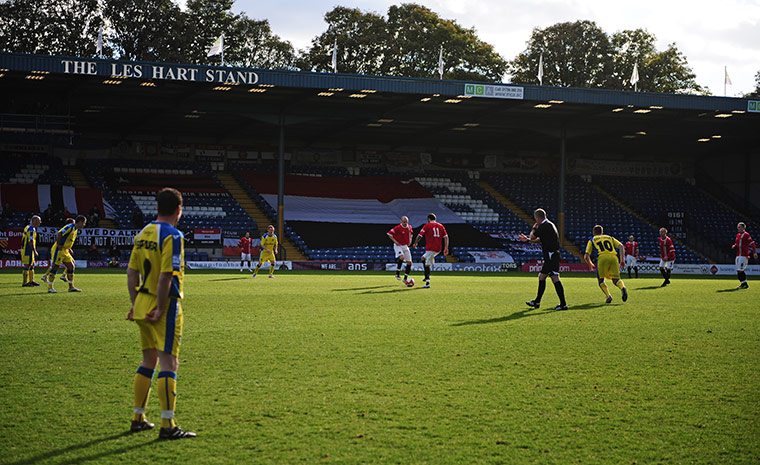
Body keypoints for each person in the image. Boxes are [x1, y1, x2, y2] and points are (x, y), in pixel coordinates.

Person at [126, 187, 195, 440]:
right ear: (179, 209)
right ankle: (168, 425)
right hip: (163, 306)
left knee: (148, 360)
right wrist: (162, 308)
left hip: (142, 303)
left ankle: (138, 418)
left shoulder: (143, 233)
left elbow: (132, 273)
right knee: (169, 363)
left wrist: (136, 304)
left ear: (157, 207)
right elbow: (167, 275)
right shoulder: (173, 236)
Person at [519, 208, 568, 310]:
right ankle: (537, 302)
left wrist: (533, 228)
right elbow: (539, 240)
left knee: (555, 278)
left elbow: (533, 236)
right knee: (542, 277)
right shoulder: (549, 225)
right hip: (551, 256)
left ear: (537, 217)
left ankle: (563, 304)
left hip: (552, 256)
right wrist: (527, 240)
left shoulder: (544, 226)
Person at [584, 225, 628, 304]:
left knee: (600, 280)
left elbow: (586, 256)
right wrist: (622, 260)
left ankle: (608, 296)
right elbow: (621, 246)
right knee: (616, 279)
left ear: (594, 232)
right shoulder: (609, 238)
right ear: (602, 232)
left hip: (602, 258)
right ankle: (623, 287)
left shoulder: (592, 239)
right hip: (614, 258)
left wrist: (590, 264)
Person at [41, 215, 87, 293]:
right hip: (59, 249)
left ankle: (71, 287)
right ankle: (50, 287)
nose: (84, 225)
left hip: (65, 250)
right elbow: (60, 233)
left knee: (71, 266)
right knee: (55, 266)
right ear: (80, 222)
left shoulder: (75, 229)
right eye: (84, 223)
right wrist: (59, 244)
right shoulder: (70, 226)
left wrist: (69, 248)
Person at [412, 213, 448, 289]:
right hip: (438, 248)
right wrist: (446, 247)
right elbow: (446, 237)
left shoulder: (427, 225)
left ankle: (427, 282)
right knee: (423, 258)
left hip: (431, 248)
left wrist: (415, 243)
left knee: (427, 264)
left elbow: (419, 235)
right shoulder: (441, 226)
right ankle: (426, 277)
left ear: (428, 219)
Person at [387, 216, 414, 283]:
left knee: (409, 262)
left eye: (406, 222)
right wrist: (395, 241)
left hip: (405, 246)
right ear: (401, 221)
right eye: (404, 222)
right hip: (398, 245)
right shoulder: (398, 228)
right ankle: (397, 273)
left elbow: (411, 234)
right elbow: (389, 234)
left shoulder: (409, 227)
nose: (405, 223)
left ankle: (405, 278)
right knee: (402, 257)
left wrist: (410, 240)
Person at [731, 222, 757, 289]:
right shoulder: (738, 235)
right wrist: (734, 245)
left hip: (744, 255)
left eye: (739, 227)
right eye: (737, 227)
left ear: (743, 228)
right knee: (738, 270)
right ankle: (743, 283)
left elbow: (752, 244)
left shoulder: (746, 235)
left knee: (740, 270)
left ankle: (745, 284)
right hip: (738, 255)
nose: (738, 228)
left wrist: (754, 252)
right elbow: (737, 243)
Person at [21, 215, 42, 287]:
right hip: (28, 250)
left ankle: (31, 281)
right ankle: (25, 283)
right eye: (39, 221)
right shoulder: (31, 229)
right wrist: (35, 250)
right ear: (35, 221)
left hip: (27, 249)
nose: (40, 222)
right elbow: (31, 241)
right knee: (27, 265)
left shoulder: (28, 227)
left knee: (32, 265)